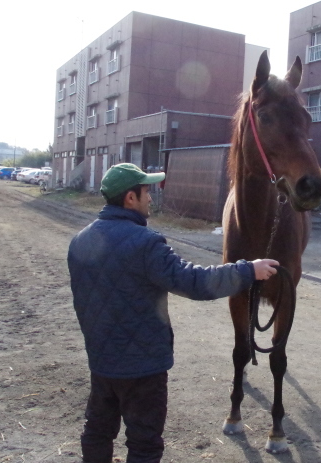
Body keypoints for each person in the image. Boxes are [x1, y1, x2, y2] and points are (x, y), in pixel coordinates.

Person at [67, 163, 278, 463]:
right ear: (130, 198)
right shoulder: (146, 243)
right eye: (146, 191)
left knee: (98, 431)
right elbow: (194, 282)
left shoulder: (79, 241)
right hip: (144, 368)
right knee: (144, 445)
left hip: (102, 362)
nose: (151, 198)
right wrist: (248, 270)